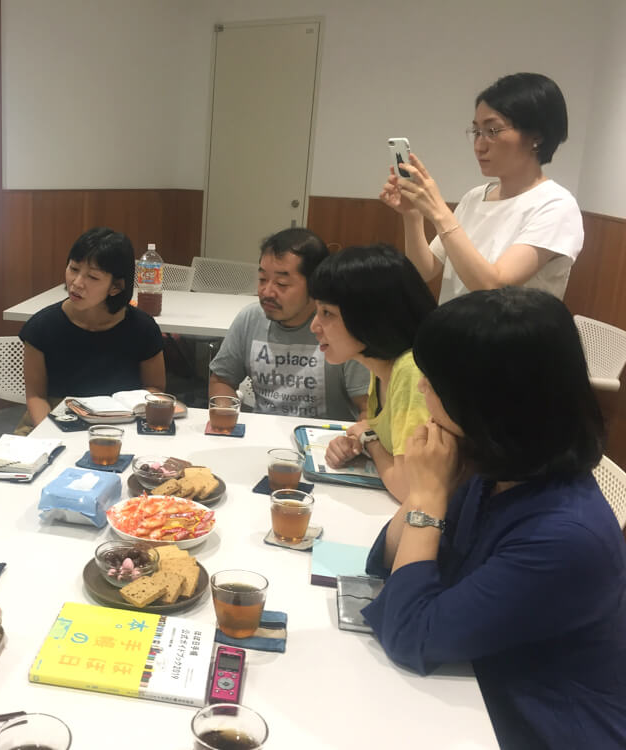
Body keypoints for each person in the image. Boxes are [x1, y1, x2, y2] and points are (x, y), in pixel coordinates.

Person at [361, 288, 626, 748]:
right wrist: (431, 490)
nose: (422, 388)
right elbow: (387, 563)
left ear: (486, 401)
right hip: (471, 695)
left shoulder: (565, 538)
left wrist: (428, 496)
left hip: (537, 729)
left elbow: (410, 634)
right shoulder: (494, 470)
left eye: (434, 380)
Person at [379, 72, 584, 304]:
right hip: (455, 324)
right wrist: (413, 216)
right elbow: (424, 271)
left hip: (512, 328)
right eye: (476, 131)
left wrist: (438, 212)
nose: (479, 145)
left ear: (537, 136)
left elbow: (494, 286)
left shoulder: (556, 206)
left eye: (492, 131)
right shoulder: (474, 198)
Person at [308, 244, 436, 502]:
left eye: (327, 313)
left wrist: (369, 441)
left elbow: (410, 489)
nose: (314, 326)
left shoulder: (411, 371)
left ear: (370, 315)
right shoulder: (380, 366)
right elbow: (376, 431)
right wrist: (360, 438)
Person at [209, 227, 369, 420]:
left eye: (282, 284)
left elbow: (367, 407)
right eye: (262, 279)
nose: (267, 292)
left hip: (325, 436)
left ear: (315, 284)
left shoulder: (342, 327)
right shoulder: (250, 318)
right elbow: (222, 380)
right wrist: (226, 411)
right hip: (263, 433)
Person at [19, 227, 166, 428]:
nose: (77, 283)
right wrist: (50, 432)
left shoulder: (143, 328)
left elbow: (155, 388)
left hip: (121, 423)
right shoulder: (41, 327)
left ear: (116, 287)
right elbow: (36, 396)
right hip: (53, 419)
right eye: (73, 269)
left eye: (93, 277)